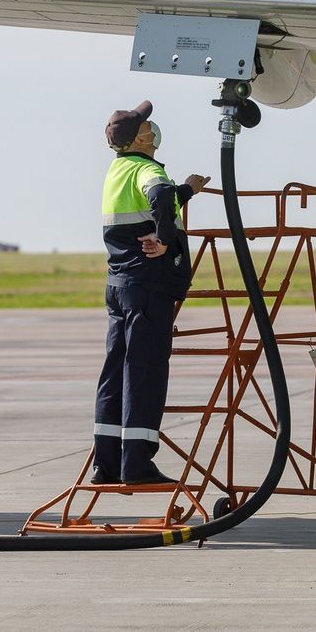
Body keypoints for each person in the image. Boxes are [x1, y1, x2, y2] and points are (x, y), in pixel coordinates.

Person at [94, 100, 210, 485]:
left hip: (119, 285)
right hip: (147, 285)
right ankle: (138, 465)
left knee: (115, 373)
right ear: (139, 139)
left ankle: (106, 464)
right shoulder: (148, 169)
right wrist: (163, 239)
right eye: (146, 125)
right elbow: (159, 196)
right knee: (144, 373)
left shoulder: (117, 171)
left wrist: (187, 190)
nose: (152, 128)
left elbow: (157, 201)